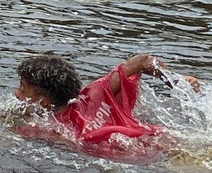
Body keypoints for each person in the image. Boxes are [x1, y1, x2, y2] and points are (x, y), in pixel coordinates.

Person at [14, 52, 200, 145]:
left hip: (154, 154)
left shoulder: (44, 130)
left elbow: (142, 62)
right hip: (171, 140)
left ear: (44, 101)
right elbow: (143, 61)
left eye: (22, 88)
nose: (16, 94)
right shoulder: (94, 93)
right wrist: (176, 81)